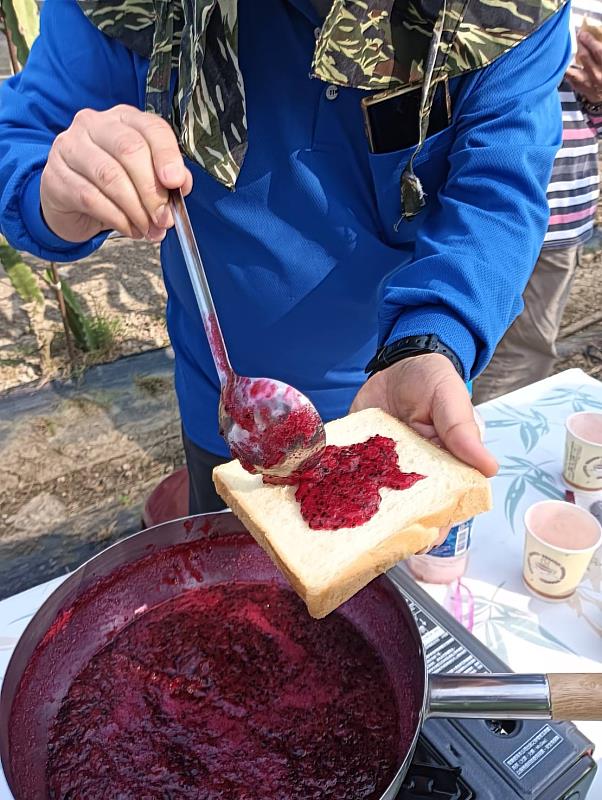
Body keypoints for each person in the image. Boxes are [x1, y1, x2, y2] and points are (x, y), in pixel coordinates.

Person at [0, 0, 570, 514]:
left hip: (405, 402)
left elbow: (497, 193)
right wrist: (52, 194)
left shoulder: (508, 13)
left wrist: (432, 338)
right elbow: (23, 138)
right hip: (228, 417)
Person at [473, 2, 602, 403]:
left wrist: (598, 97)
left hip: (561, 212)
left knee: (523, 356)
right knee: (432, 345)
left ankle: (488, 454)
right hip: (475, 205)